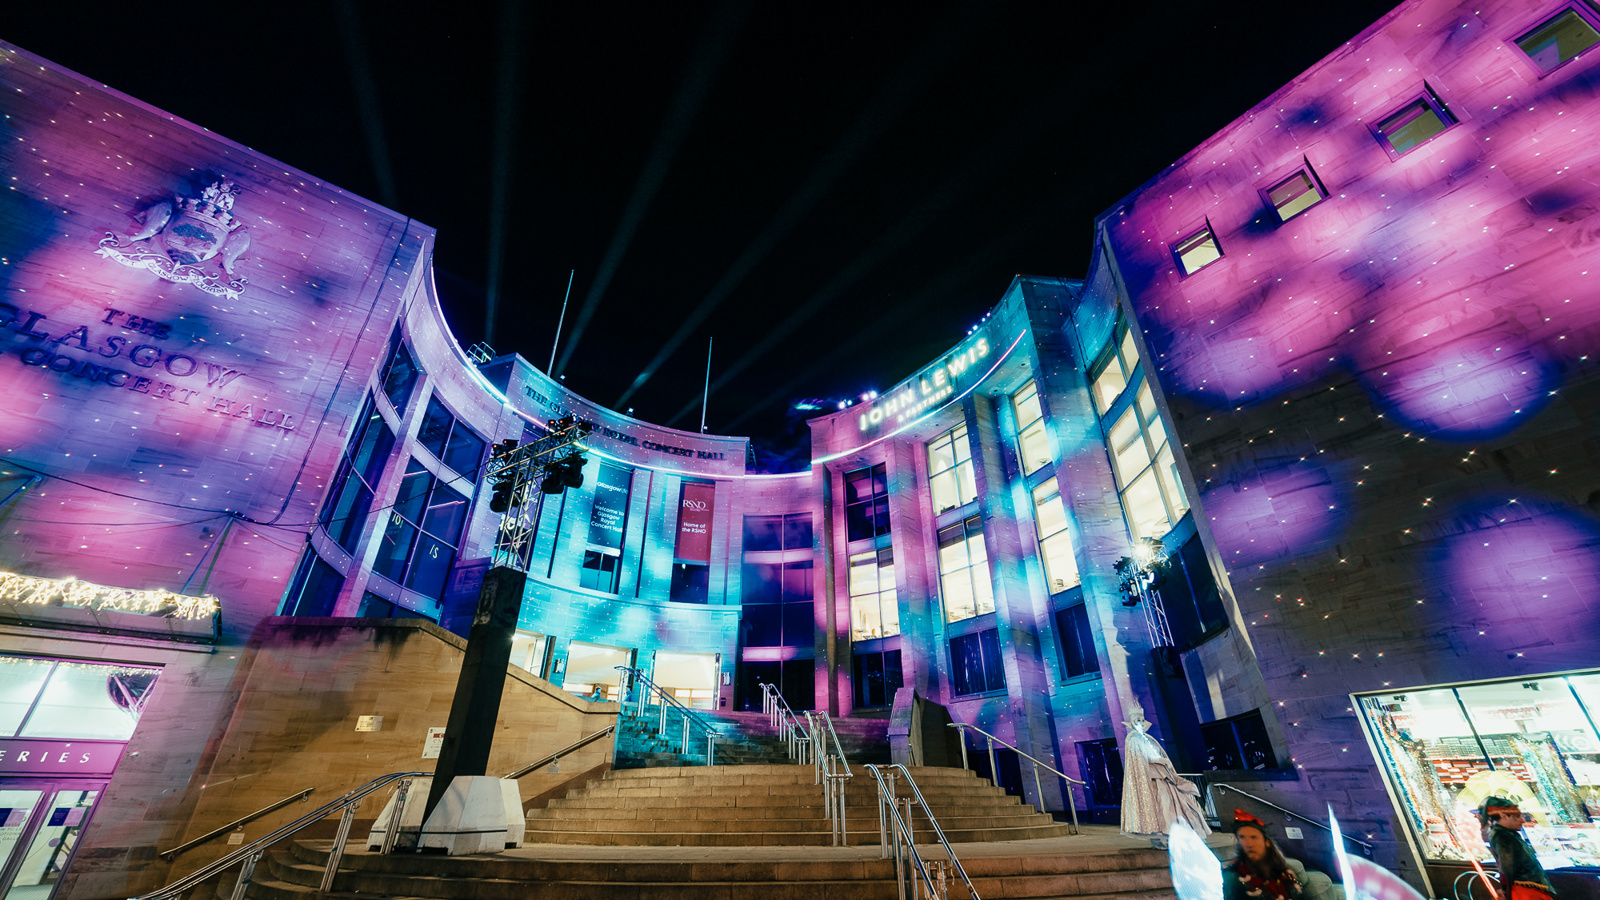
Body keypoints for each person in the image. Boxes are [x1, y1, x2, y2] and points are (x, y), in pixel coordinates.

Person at [1120, 705, 1210, 842]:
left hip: (1164, 777)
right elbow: (1139, 759)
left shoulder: (1148, 738)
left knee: (1171, 806)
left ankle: (1173, 834)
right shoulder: (1133, 739)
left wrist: (1163, 762)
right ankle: (1162, 836)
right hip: (1152, 779)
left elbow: (1157, 753)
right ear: (1132, 722)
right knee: (1161, 806)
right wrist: (1159, 760)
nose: (1141, 723)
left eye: (1142, 720)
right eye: (1138, 720)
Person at [1481, 797, 1556, 899]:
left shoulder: (1508, 834)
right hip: (1526, 892)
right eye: (1516, 816)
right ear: (1503, 816)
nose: (1522, 820)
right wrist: (1506, 890)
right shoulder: (1502, 836)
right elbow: (1507, 867)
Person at [1223, 810, 1303, 900]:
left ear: (1267, 842)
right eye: (1242, 837)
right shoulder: (1233, 877)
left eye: (1254, 837)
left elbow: (1297, 894)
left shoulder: (1282, 870)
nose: (1248, 844)